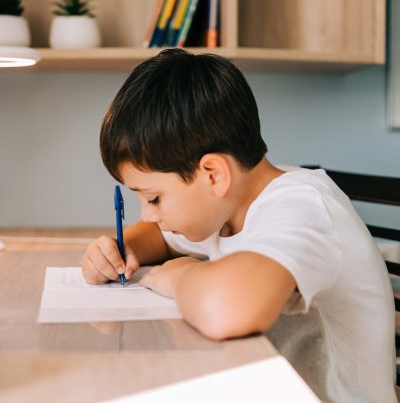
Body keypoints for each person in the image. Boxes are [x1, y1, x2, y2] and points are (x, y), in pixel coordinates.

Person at [82, 48, 396, 402]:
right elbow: (157, 234)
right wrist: (121, 251)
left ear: (213, 174)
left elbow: (225, 309)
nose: (149, 215)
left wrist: (179, 274)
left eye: (154, 198)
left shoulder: (302, 206)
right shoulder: (226, 206)